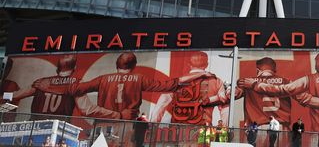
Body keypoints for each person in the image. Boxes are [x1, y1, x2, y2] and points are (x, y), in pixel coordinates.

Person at [50, 52, 210, 120]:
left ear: (116, 64)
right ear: (134, 65)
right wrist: (200, 74)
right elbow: (170, 84)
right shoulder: (139, 79)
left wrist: (47, 85)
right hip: (128, 125)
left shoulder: (103, 79)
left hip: (103, 124)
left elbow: (75, 88)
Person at [150, 51, 229, 125]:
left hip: (177, 131)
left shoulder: (177, 82)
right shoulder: (217, 82)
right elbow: (225, 109)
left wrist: (152, 128)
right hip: (203, 131)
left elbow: (160, 106)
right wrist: (225, 129)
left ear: (189, 64)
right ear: (207, 64)